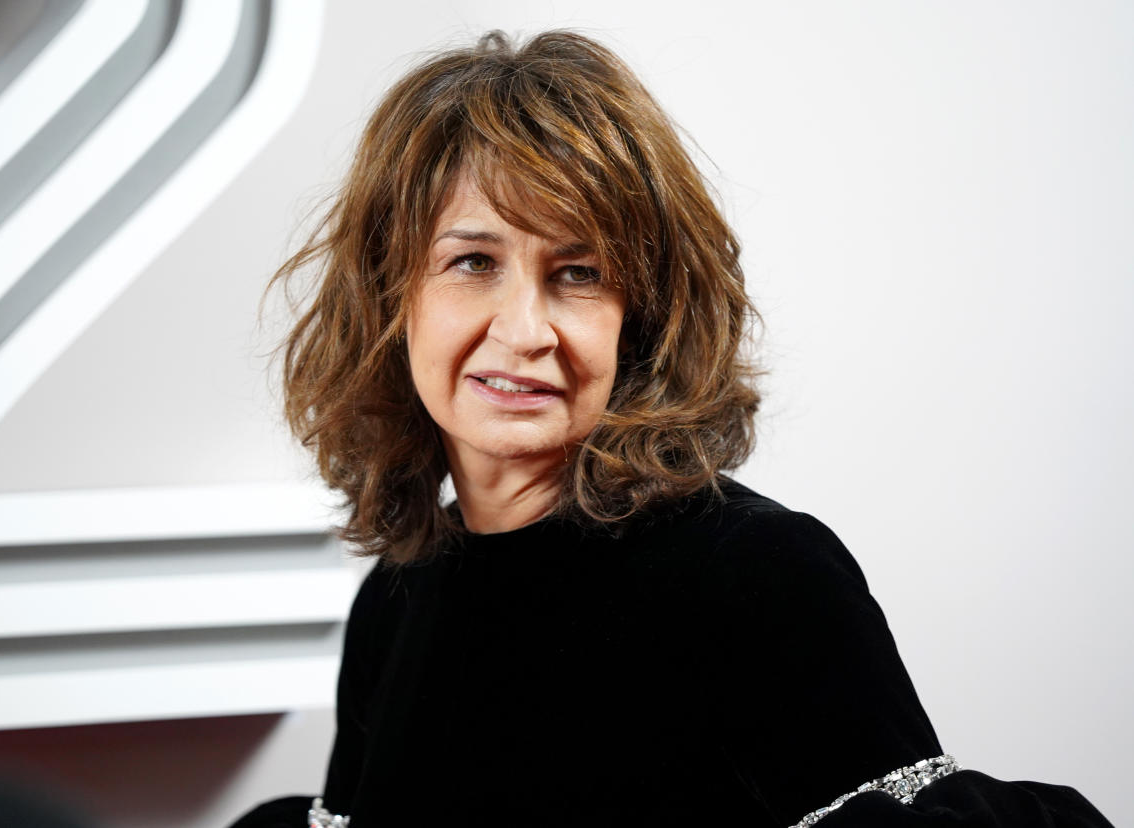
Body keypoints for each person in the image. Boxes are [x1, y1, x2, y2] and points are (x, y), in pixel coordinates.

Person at [266, 30, 1112, 828]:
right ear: (390, 295)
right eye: (473, 262)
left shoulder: (762, 577)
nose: (524, 330)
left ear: (644, 317)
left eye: (580, 272)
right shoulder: (399, 593)